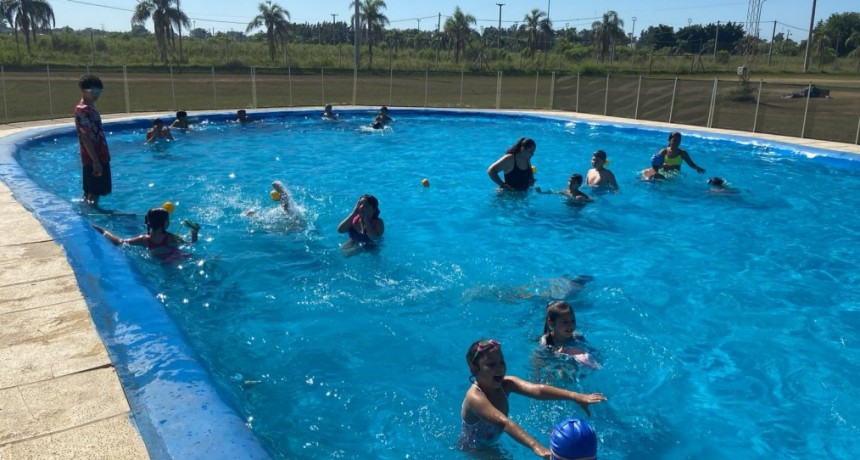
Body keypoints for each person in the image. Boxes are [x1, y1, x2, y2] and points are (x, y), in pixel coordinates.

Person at [458, 339, 607, 457]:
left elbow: (537, 390)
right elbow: (505, 424)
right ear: (474, 368)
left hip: (491, 440)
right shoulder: (475, 398)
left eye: (501, 362)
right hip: (475, 448)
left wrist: (576, 396)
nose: (500, 368)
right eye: (491, 364)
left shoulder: (506, 384)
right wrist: (537, 447)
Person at [92, 207, 199, 261]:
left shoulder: (144, 240)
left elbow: (120, 242)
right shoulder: (171, 238)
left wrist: (103, 231)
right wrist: (195, 235)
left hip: (160, 262)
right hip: (178, 259)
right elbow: (190, 244)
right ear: (166, 223)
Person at [74, 74, 112, 206]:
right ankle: (91, 218)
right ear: (83, 90)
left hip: (98, 154)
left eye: (99, 91)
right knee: (94, 192)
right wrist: (96, 161)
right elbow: (85, 136)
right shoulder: (83, 110)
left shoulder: (89, 107)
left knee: (90, 190)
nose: (96, 95)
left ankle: (85, 214)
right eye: (93, 91)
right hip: (94, 156)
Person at [540, 301, 601, 369]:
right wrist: (559, 355)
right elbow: (544, 361)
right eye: (565, 322)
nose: (570, 325)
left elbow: (594, 353)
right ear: (551, 323)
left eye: (573, 321)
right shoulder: (546, 341)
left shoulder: (577, 337)